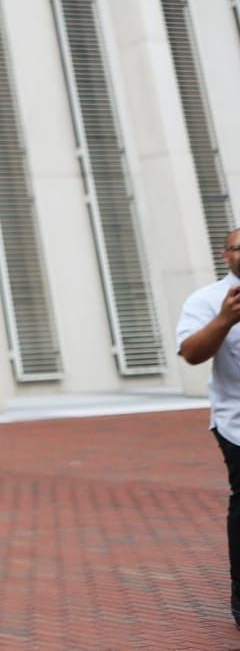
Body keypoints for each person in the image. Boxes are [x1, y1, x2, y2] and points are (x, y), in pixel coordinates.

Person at [178, 227, 240, 630]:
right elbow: (191, 354)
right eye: (238, 248)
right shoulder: (206, 301)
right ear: (225, 256)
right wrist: (224, 319)